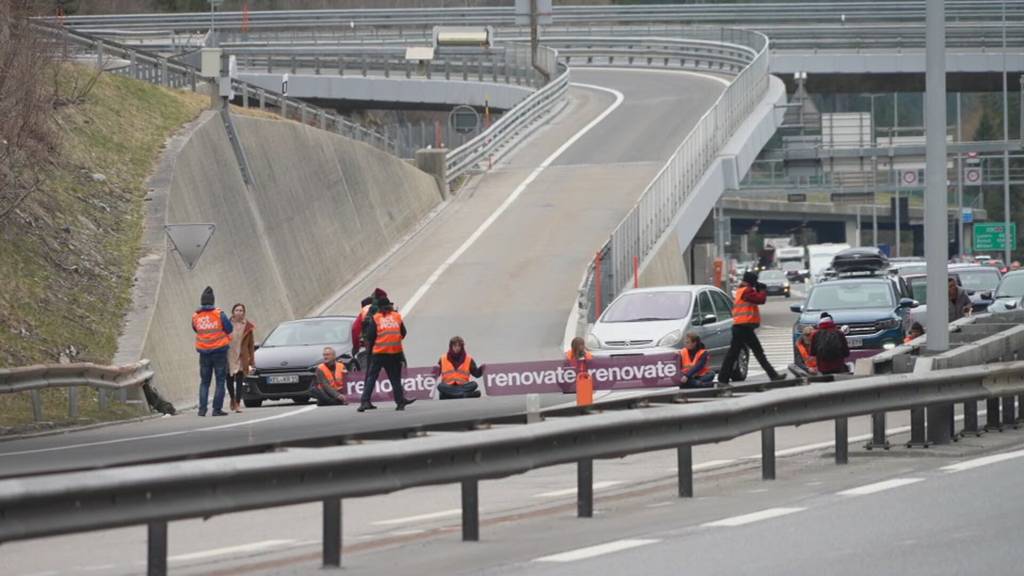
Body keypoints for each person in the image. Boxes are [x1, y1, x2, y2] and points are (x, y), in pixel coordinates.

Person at [718, 271, 783, 385]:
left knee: (736, 353)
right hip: (743, 327)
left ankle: (723, 379)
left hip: (742, 327)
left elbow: (755, 299)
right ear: (751, 281)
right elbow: (760, 300)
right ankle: (773, 375)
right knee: (753, 352)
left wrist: (759, 290)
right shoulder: (746, 291)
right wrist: (762, 290)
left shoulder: (741, 290)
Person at [359, 296, 415, 411]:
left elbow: (370, 336)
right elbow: (403, 333)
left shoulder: (376, 318)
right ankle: (400, 403)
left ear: (379, 307)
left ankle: (364, 401)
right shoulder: (396, 316)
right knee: (395, 378)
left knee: (372, 377)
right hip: (395, 353)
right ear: (390, 306)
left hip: (379, 353)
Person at [192, 286, 233, 417]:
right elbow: (229, 328)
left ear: (202, 301)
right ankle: (216, 409)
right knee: (220, 381)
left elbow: (195, 329)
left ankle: (202, 410)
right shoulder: (219, 314)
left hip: (204, 353)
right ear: (213, 301)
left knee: (204, 382)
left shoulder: (196, 316)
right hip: (219, 352)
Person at [226, 303, 255, 413]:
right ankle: (232, 398)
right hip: (228, 355)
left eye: (241, 310)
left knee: (239, 380)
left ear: (244, 312)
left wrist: (252, 359)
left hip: (241, 356)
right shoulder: (227, 324)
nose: (239, 312)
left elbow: (251, 344)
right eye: (237, 310)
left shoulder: (248, 326)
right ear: (233, 312)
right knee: (228, 380)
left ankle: (238, 403)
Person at [566, 337, 593, 406]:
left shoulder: (587, 355)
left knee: (585, 400)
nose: (581, 347)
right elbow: (570, 367)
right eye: (579, 345)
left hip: (585, 382)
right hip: (573, 381)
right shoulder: (569, 354)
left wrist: (584, 358)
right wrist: (576, 357)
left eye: (582, 345)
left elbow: (591, 367)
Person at [350, 296, 375, 368]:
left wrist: (356, 348)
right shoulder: (386, 310)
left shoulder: (364, 314)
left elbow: (355, 330)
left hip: (373, 349)